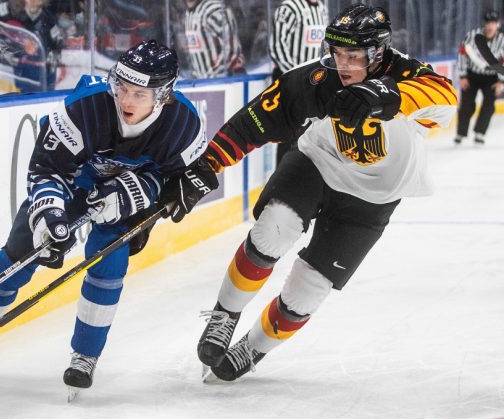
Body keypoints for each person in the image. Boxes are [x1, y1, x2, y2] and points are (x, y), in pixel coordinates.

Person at [160, 5, 457, 382]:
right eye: (338, 54)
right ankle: (225, 314)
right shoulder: (320, 79)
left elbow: (444, 97)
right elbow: (257, 120)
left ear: (379, 52)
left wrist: (383, 96)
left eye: (354, 56)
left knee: (307, 291)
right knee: (273, 230)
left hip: (373, 199)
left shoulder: (408, 76)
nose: (344, 64)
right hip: (317, 165)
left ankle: (253, 347)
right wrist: (206, 167)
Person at [0, 40, 208, 395]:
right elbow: (46, 168)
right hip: (75, 180)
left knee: (109, 258)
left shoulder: (183, 126)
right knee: (21, 252)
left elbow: (176, 181)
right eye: (121, 87)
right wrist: (49, 214)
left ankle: (85, 356)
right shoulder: (86, 107)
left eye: (138, 94)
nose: (125, 100)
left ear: (163, 95)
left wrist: (135, 194)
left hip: (128, 192)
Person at [268, 0, 328, 166]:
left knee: (312, 133)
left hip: (315, 82)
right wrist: (298, 76)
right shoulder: (289, 7)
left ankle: (305, 179)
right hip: (291, 81)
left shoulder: (322, 8)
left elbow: (325, 44)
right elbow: (277, 47)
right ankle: (282, 183)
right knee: (289, 132)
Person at [454, 10, 504, 146]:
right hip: (472, 76)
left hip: (492, 78)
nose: (490, 26)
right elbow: (462, 54)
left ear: (498, 25)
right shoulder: (472, 36)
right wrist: (463, 76)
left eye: (493, 23)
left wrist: (501, 82)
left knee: (489, 105)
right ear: (484, 24)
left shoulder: (502, 41)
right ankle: (461, 132)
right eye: (488, 23)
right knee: (466, 104)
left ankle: (479, 133)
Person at [0, 0, 64, 92]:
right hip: (19, 73)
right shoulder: (8, 12)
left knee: (46, 101)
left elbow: (57, 42)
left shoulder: (48, 18)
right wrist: (20, 41)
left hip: (45, 72)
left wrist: (53, 58)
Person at [183, 0, 245, 79]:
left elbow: (232, 51)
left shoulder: (214, 9)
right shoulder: (189, 13)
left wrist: (217, 80)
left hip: (224, 82)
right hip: (202, 83)